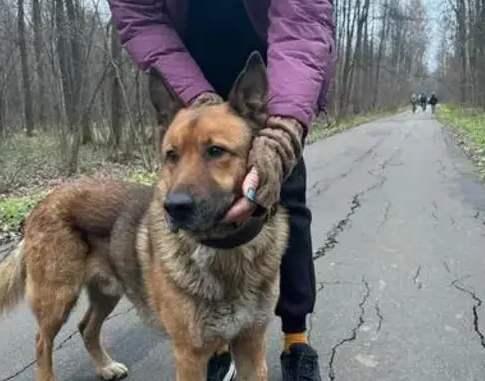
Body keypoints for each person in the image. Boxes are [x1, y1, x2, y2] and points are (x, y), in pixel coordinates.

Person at [107, 1, 335, 381]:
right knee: (194, 203)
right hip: (188, 61)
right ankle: (220, 343)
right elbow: (140, 19)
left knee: (287, 197)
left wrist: (281, 136)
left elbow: (303, 23)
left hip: (275, 65)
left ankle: (295, 337)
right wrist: (195, 99)